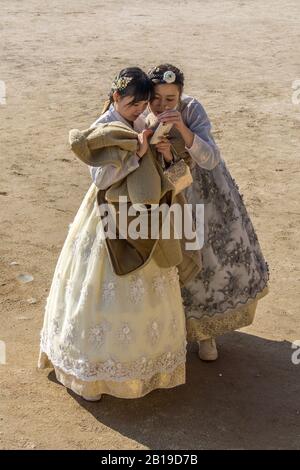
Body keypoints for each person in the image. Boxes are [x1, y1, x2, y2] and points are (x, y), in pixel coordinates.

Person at [38, 67, 187, 401]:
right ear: (117, 97)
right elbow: (101, 179)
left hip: (137, 214)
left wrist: (156, 148)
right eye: (134, 104)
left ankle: (133, 371)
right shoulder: (102, 128)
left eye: (143, 105)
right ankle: (91, 374)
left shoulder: (135, 122)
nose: (140, 110)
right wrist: (136, 153)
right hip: (106, 214)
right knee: (99, 290)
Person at [145, 63, 269, 361]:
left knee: (205, 261)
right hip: (166, 195)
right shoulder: (141, 114)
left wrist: (182, 129)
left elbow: (210, 158)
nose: (162, 105)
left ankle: (206, 334)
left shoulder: (192, 110)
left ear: (181, 96)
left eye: (170, 99)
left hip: (203, 196)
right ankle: (167, 333)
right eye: (157, 98)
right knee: (167, 263)